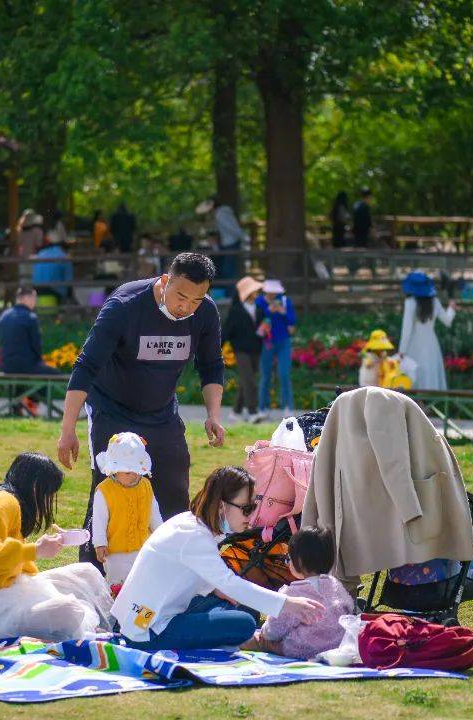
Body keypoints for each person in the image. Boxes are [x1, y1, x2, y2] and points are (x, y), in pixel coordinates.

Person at [58, 252, 226, 571]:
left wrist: (213, 415)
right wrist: (68, 429)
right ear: (165, 281)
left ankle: (170, 570)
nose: (186, 307)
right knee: (111, 488)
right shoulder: (125, 305)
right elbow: (86, 365)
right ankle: (94, 573)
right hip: (112, 409)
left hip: (161, 412)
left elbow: (211, 364)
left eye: (196, 300)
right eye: (180, 297)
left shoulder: (205, 312)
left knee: (174, 485)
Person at [112, 466, 323, 652]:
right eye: (246, 509)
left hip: (144, 616)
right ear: (222, 506)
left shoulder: (189, 523)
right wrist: (288, 603)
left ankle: (222, 636)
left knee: (244, 607)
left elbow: (198, 576)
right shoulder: (194, 536)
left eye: (253, 508)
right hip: (147, 630)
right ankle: (247, 641)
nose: (251, 516)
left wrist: (216, 590)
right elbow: (229, 582)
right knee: (244, 623)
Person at [0, 452, 113, 641]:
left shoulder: (2, 500)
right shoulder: (5, 502)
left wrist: (38, 550)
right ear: (35, 487)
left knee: (86, 572)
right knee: (70, 610)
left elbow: (14, 564)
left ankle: (105, 627)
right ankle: (99, 631)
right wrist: (36, 550)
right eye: (48, 494)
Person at [242, 527, 354, 659]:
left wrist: (265, 634)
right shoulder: (335, 585)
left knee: (255, 640)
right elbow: (349, 607)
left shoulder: (293, 593)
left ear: (299, 561)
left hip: (301, 648)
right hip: (336, 645)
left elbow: (274, 629)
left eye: (288, 558)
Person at [91, 432, 163, 589]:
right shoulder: (104, 491)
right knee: (118, 585)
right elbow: (99, 520)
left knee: (143, 582)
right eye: (127, 472)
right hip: (115, 551)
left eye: (137, 470)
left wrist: (161, 535)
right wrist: (100, 543)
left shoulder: (145, 485)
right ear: (114, 470)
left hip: (143, 547)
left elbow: (154, 514)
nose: (133, 475)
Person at [398, 271, 455, 391]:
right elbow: (448, 321)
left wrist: (402, 351)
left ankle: (415, 402)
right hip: (431, 344)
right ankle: (430, 402)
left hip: (414, 344)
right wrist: (451, 308)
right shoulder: (435, 302)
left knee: (413, 377)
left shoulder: (410, 303)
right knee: (429, 374)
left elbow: (407, 329)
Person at [222, 276, 265, 423]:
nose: (257, 292)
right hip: (241, 351)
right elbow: (226, 331)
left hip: (256, 350)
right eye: (254, 290)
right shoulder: (235, 311)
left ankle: (236, 411)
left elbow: (262, 328)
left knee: (245, 381)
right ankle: (253, 412)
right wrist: (216, 349)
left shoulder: (259, 309)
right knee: (250, 381)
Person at [0, 286, 60, 376]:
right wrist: (40, 362)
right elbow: (36, 346)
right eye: (34, 298)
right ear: (27, 298)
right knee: (56, 374)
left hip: (6, 366)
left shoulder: (4, 316)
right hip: (26, 366)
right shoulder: (30, 317)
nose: (35, 302)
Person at [256, 279, 296, 416]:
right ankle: (263, 408)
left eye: (275, 292)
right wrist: (268, 311)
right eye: (270, 292)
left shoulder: (284, 301)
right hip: (266, 342)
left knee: (284, 374)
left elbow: (292, 321)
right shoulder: (259, 302)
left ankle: (287, 407)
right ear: (266, 291)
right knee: (265, 376)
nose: (273, 295)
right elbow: (257, 320)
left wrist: (283, 312)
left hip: (283, 341)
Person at [211, 197, 248, 280]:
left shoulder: (220, 214)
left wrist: (242, 237)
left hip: (230, 243)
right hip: (229, 243)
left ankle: (231, 287)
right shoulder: (221, 213)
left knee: (228, 270)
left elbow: (231, 227)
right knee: (228, 268)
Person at [32, 231, 73, 302]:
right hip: (55, 292)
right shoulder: (64, 256)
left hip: (37, 291)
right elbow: (69, 281)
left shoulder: (41, 254)